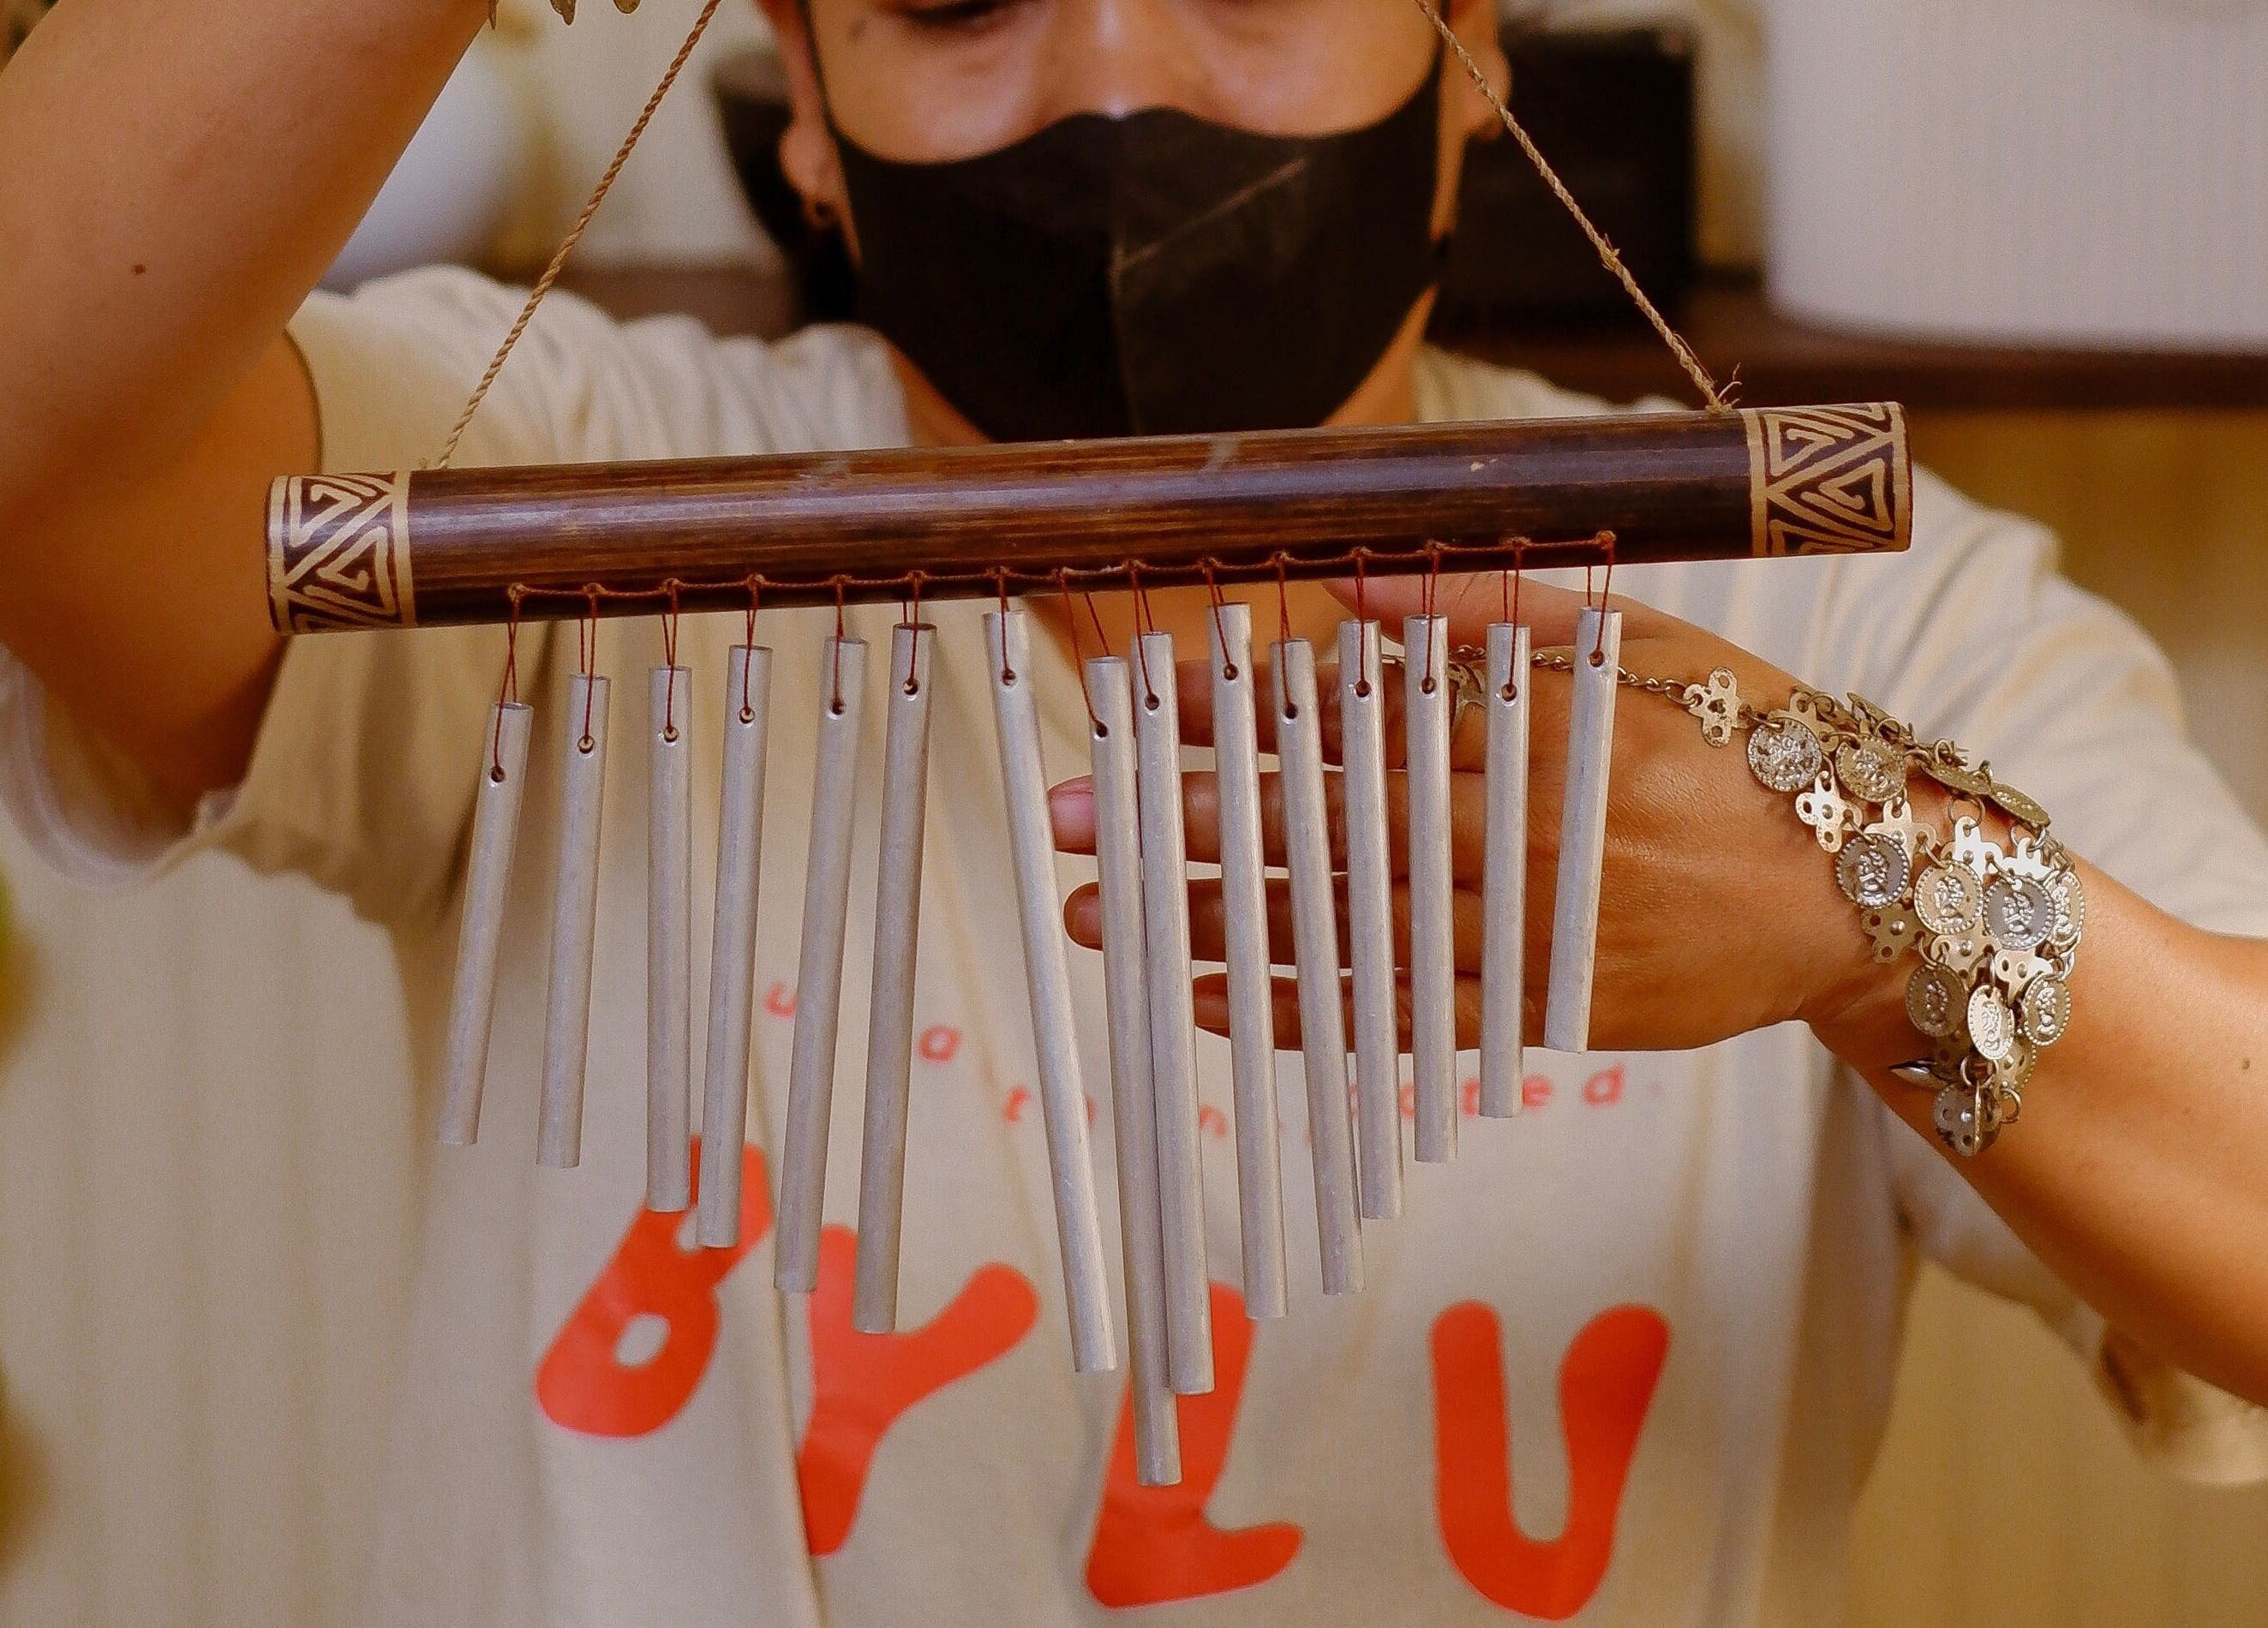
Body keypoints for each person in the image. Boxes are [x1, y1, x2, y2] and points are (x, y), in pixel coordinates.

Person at [3, 0, 2265, 1622]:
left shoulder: (1855, 626)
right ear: (804, 109)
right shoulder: (559, 499)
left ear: (1469, 47)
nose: (1115, 83)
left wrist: (1878, 897)